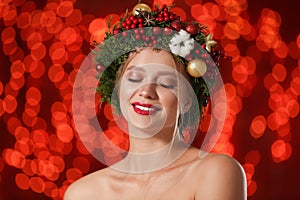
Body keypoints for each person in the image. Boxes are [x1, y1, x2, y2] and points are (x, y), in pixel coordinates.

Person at [65, 3, 246, 200]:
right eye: (134, 79)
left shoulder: (215, 172)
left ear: (187, 101)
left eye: (166, 83)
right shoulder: (83, 193)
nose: (146, 91)